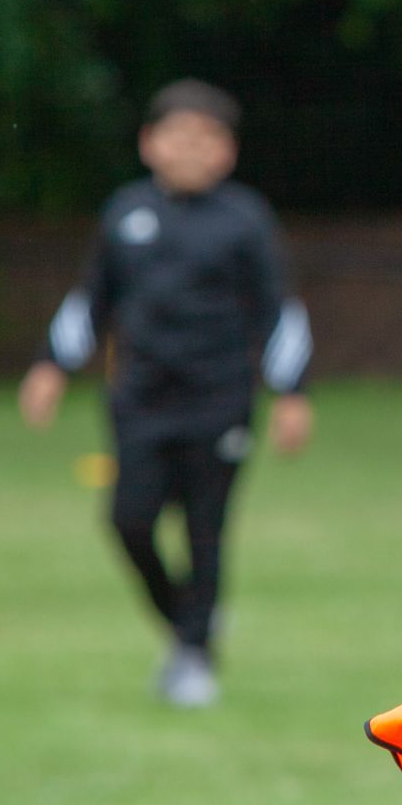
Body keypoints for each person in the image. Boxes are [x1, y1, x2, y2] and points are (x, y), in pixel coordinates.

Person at [18, 79, 314, 707]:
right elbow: (90, 301)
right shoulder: (125, 214)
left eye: (205, 138)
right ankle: (189, 624)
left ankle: (194, 660)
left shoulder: (245, 220)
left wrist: (291, 393)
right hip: (139, 400)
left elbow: (279, 313)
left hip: (220, 402)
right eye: (177, 136)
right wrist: (50, 366)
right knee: (128, 520)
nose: (189, 149)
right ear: (149, 144)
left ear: (226, 151)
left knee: (206, 531)